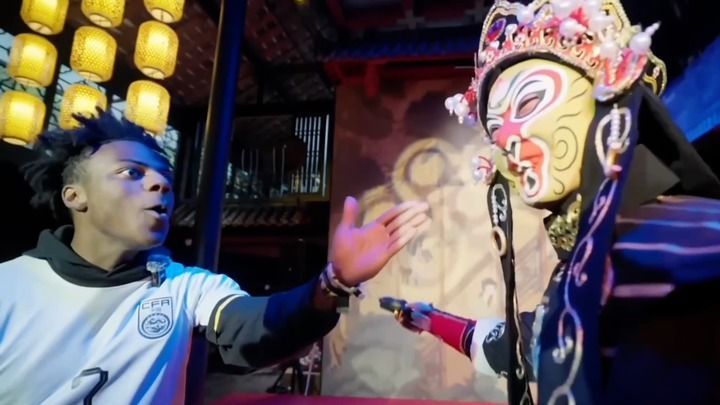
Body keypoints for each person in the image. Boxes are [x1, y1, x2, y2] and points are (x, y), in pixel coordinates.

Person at [388, 0, 720, 404]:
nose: (506, 138)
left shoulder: (699, 247)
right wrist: (432, 320)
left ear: (607, 99)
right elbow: (526, 346)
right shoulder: (583, 266)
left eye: (529, 102)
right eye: (493, 129)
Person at [0, 112, 430, 404]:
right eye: (132, 173)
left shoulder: (185, 286)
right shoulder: (10, 286)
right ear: (74, 196)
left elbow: (256, 326)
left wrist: (333, 281)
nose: (160, 185)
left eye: (165, 178)